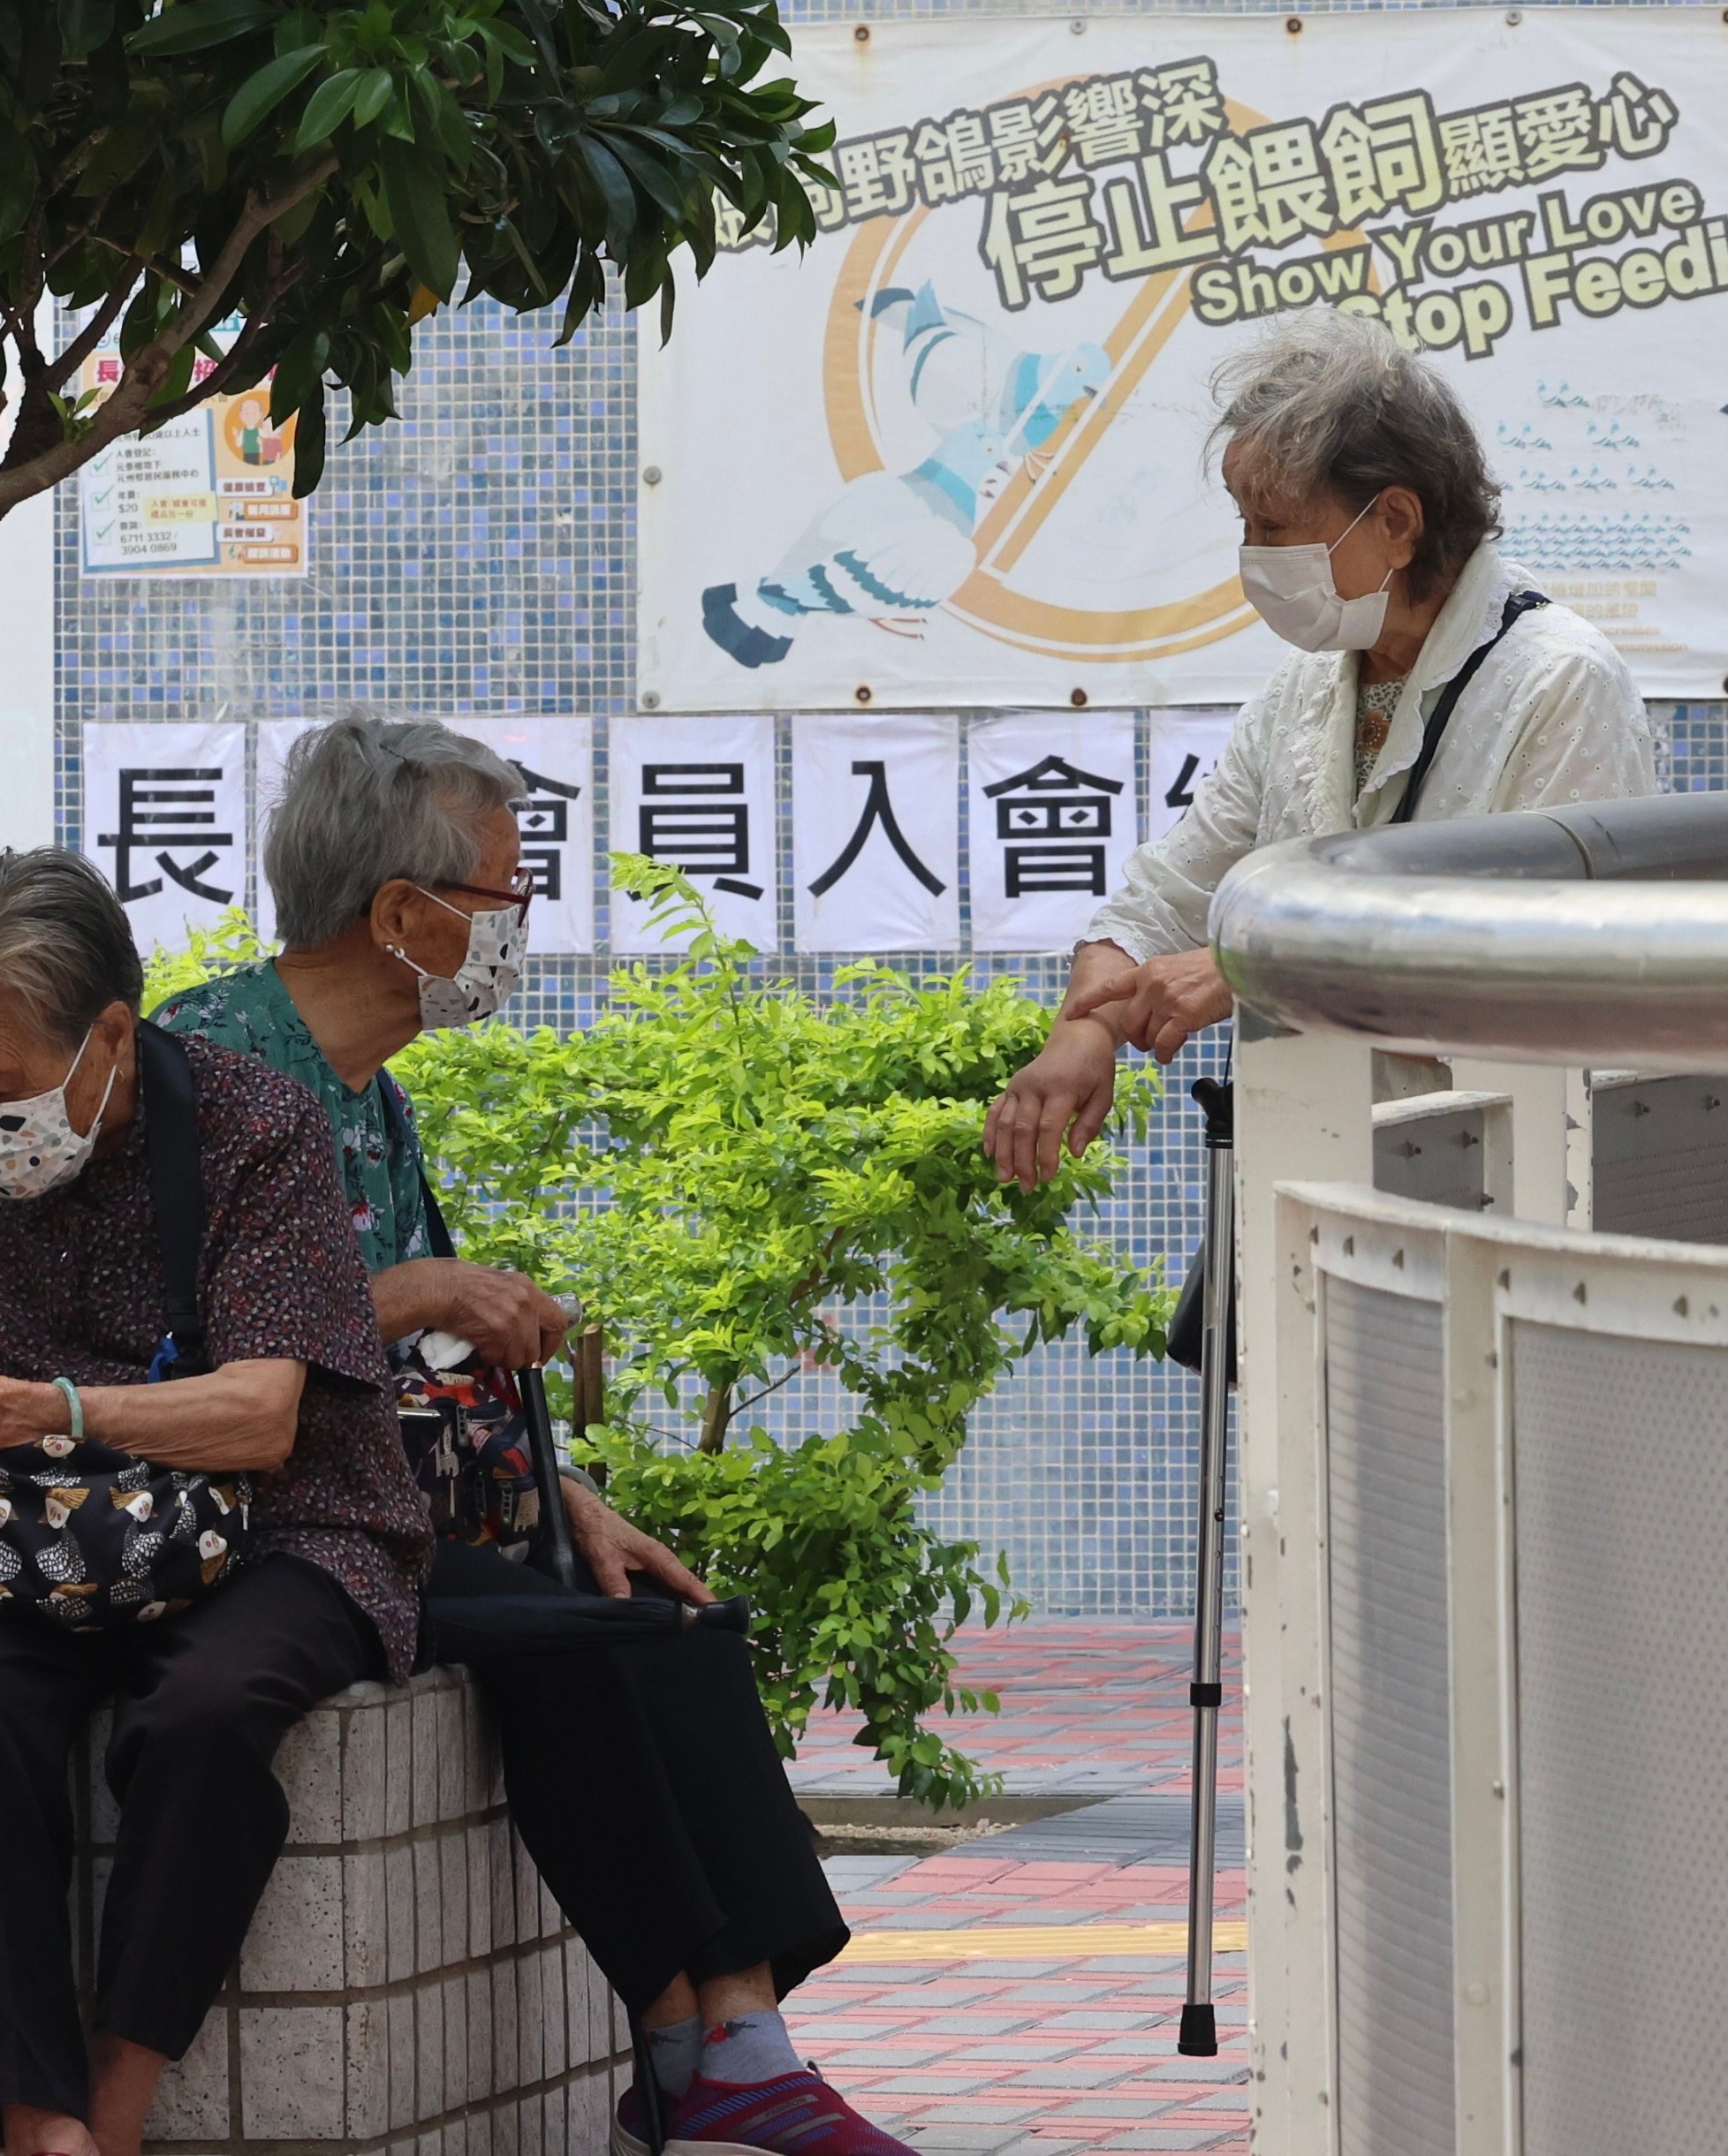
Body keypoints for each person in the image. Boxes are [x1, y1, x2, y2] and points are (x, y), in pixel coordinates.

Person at [155, 715, 909, 2156]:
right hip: (256, 1532)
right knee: (574, 1628)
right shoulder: (207, 1071)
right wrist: (420, 1289)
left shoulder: (372, 1096)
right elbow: (185, 1358)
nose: (520, 928)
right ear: (400, 912)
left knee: (657, 1605)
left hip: (387, 1505)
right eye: (505, 896)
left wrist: (564, 1495)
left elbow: (432, 1370)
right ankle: (707, 2050)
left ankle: (722, 2036)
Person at [0, 847, 426, 2156]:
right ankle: (42, 2125)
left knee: (203, 1710)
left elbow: (261, 1415)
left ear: (107, 1035)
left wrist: (35, 1405)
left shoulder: (257, 1128)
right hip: (25, 1544)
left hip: (282, 1522)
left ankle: (117, 2098)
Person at [988, 311, 1655, 1186]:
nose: (1254, 557)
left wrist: (1264, 970)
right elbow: (1170, 892)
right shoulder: (1304, 691)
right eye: (1246, 526)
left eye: (1275, 527)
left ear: (1398, 521)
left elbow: (1550, 965)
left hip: (1511, 1183)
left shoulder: (1560, 683)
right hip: (1317, 1176)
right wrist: (1084, 1031)